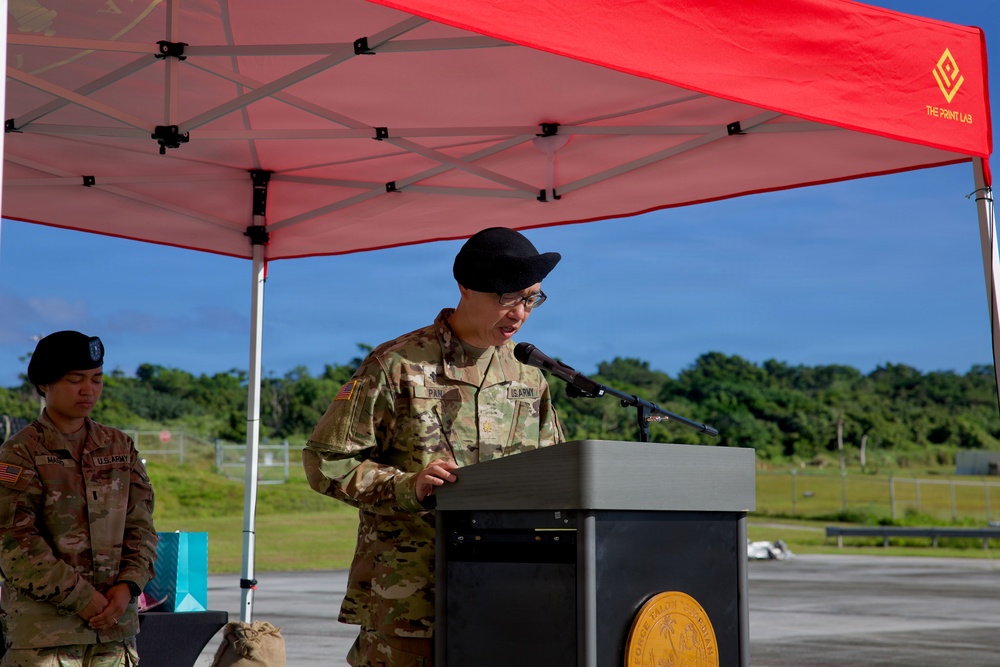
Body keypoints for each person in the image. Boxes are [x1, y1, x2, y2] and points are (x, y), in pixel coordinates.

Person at [303, 227, 567, 666]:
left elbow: (552, 473)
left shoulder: (529, 376)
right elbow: (326, 461)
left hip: (506, 596)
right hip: (411, 601)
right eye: (508, 298)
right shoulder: (397, 365)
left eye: (531, 298)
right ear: (465, 288)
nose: (520, 314)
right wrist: (408, 487)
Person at [0, 331, 157, 667]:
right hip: (46, 637)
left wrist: (129, 585)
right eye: (75, 380)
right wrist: (81, 597)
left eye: (96, 379)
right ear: (44, 384)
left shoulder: (119, 447)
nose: (89, 390)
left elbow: (141, 526)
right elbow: (13, 541)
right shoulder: (19, 453)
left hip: (114, 634)